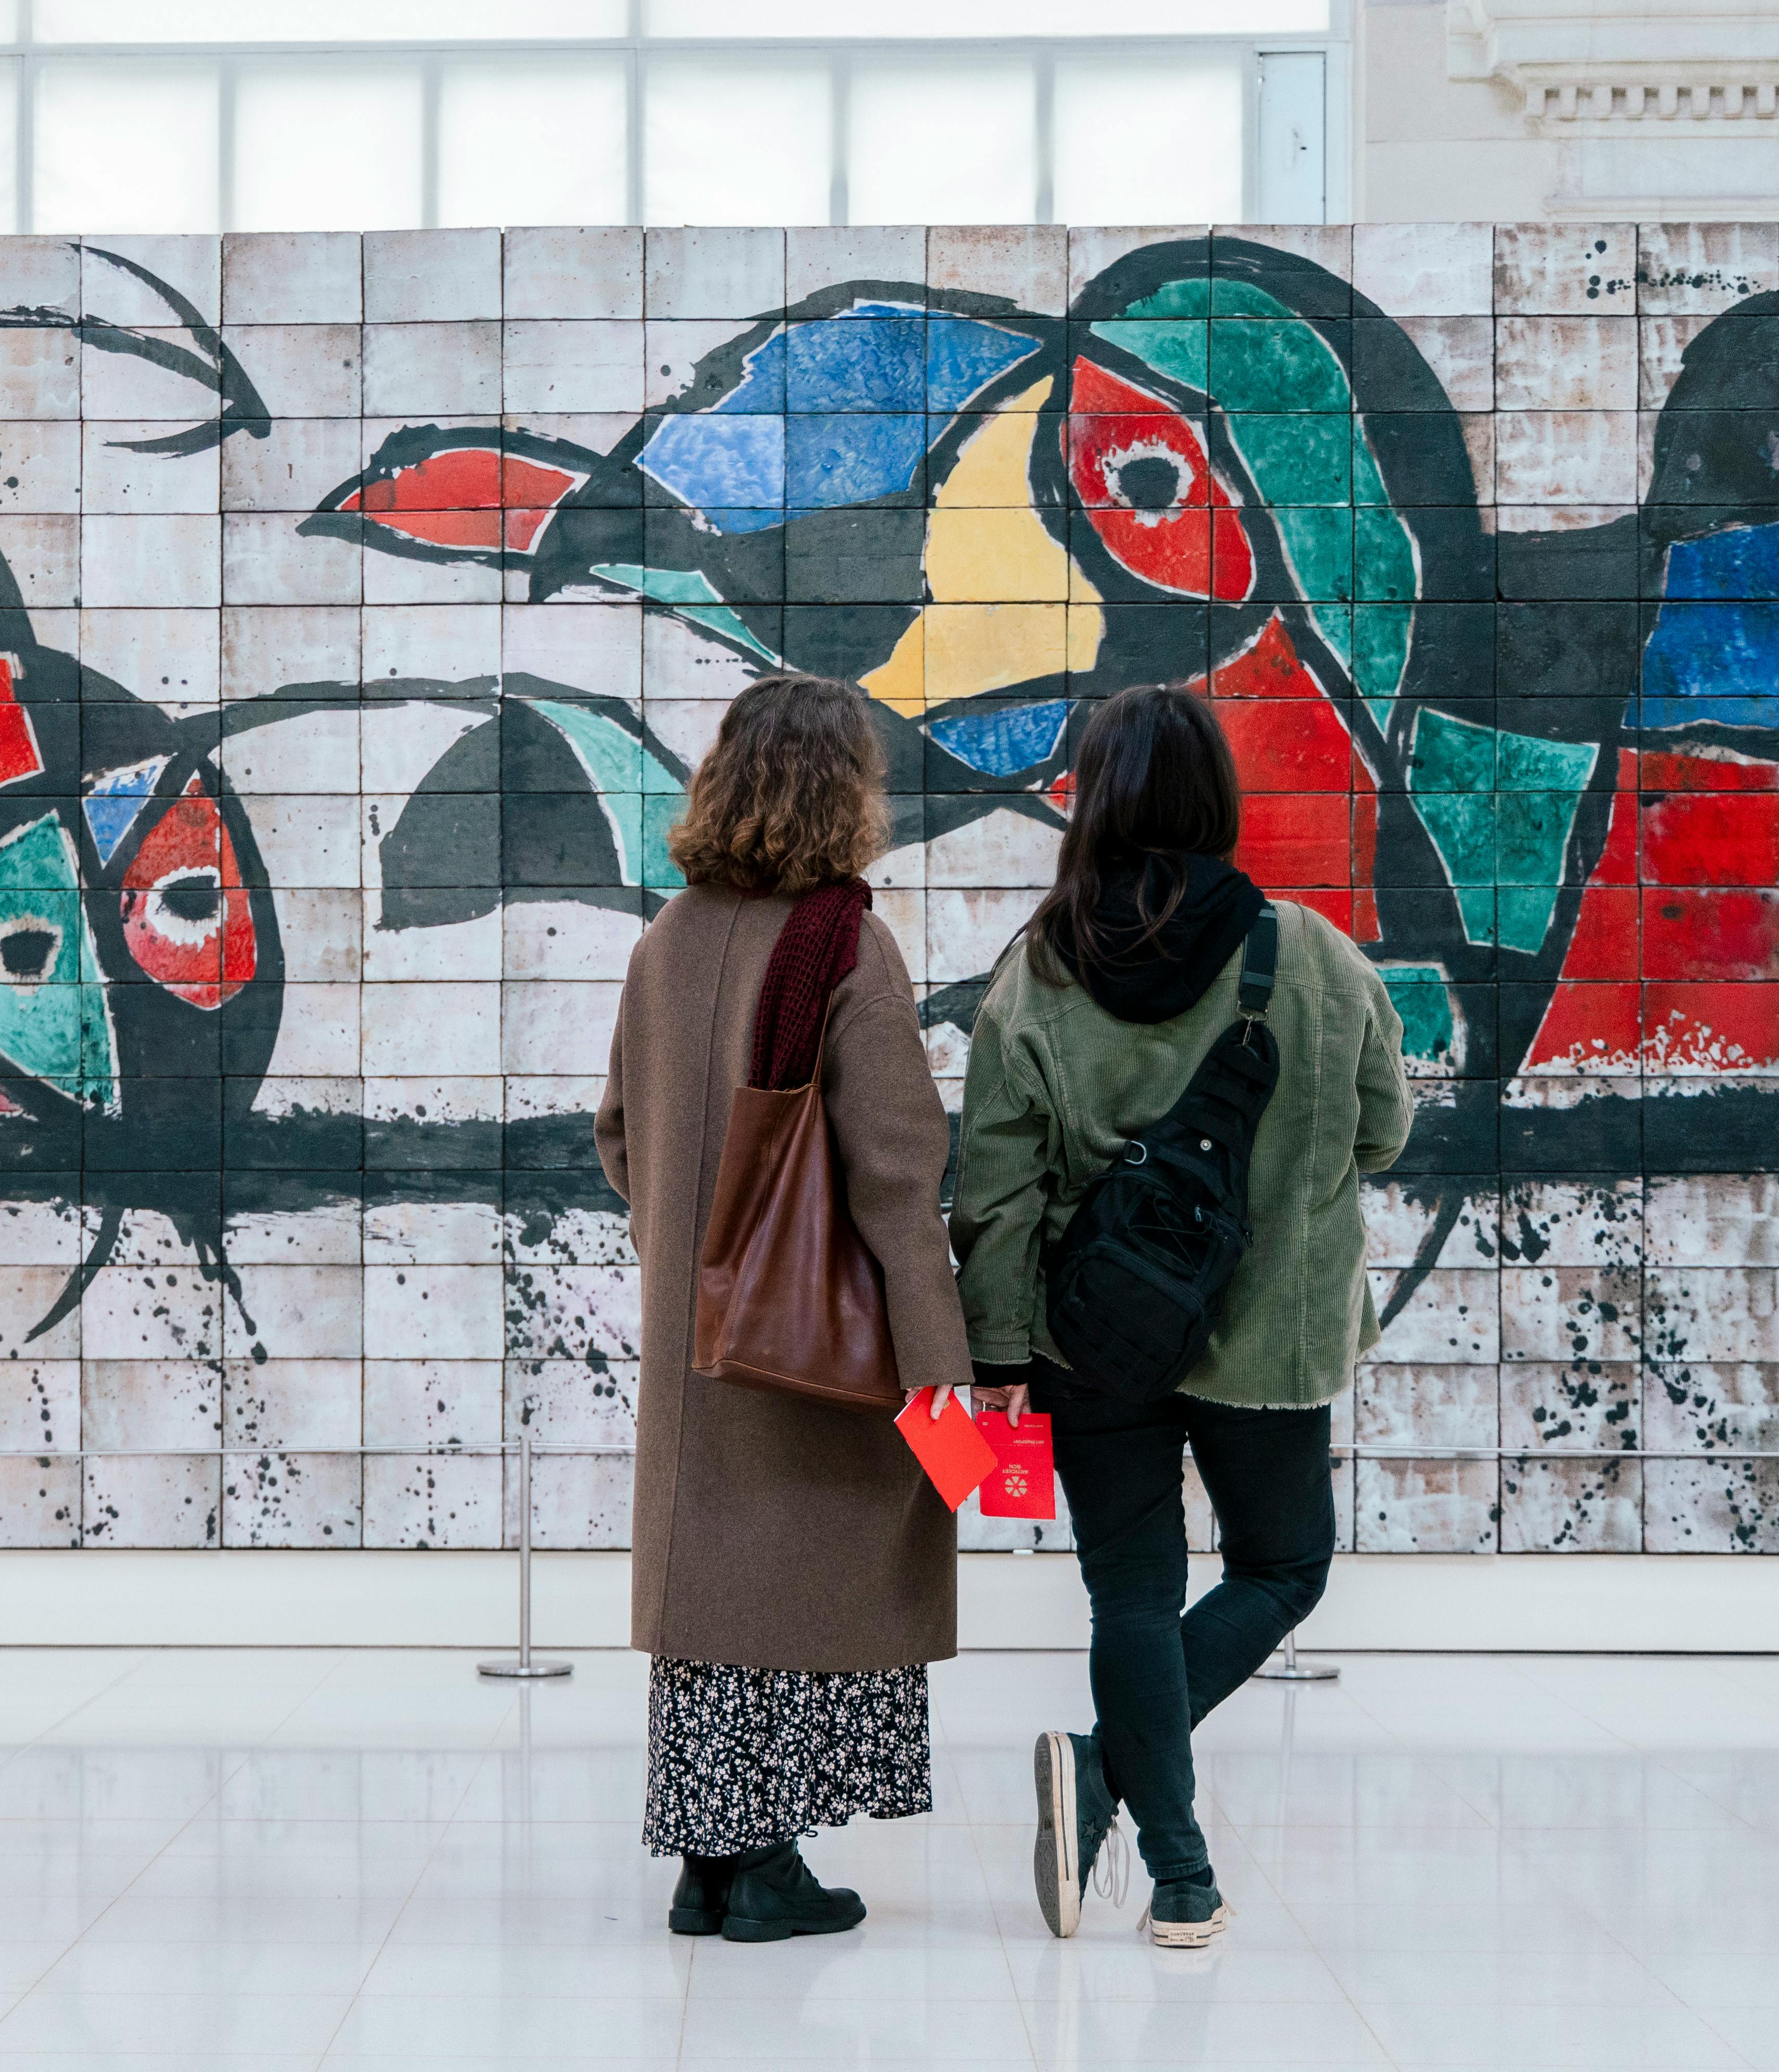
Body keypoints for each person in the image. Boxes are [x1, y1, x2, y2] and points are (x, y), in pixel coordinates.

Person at [952, 684, 1412, 1949]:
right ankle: (1101, 1775)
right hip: (1273, 1332)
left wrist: (997, 1362)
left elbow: (993, 1196)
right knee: (1282, 1567)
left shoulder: (1036, 975)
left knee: (1134, 1601)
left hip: (1091, 1344)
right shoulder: (1310, 953)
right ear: (1216, 795)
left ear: (1090, 800)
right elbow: (1383, 1127)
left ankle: (1181, 1872)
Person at [594, 671, 975, 1944]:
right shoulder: (843, 941)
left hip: (691, 1345)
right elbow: (898, 1170)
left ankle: (711, 1860)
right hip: (807, 1348)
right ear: (844, 789)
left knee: (712, 1591)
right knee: (805, 1572)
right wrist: (941, 1370)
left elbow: (615, 1133)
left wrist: (679, 1245)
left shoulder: (667, 936)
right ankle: (764, 1868)